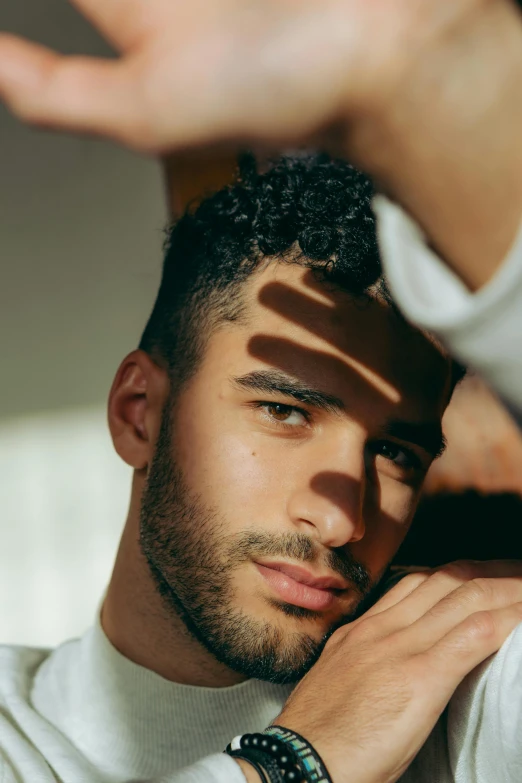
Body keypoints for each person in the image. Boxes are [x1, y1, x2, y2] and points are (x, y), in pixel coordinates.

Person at [1, 151, 522, 783]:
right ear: (139, 415)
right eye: (284, 411)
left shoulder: (464, 676)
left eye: (394, 453)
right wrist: (301, 761)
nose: (338, 522)